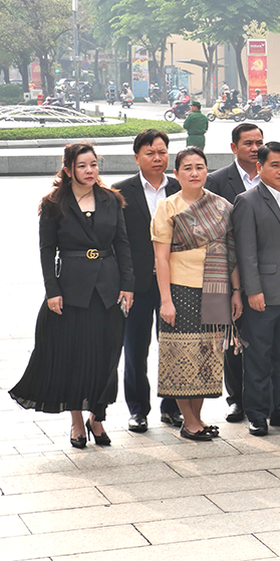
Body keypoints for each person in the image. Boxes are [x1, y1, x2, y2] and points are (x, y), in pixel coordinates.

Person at [9, 143, 134, 449]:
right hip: (71, 290)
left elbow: (123, 244)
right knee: (75, 357)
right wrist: (52, 291)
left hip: (108, 289)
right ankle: (77, 421)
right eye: (82, 166)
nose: (90, 171)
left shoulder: (111, 199)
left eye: (94, 165)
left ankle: (97, 417)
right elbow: (46, 250)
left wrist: (128, 286)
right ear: (68, 170)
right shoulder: (54, 203)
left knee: (106, 356)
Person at [152, 147, 242, 441]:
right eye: (187, 168)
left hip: (214, 292)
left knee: (207, 355)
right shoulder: (168, 207)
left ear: (207, 171)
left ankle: (199, 418)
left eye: (199, 167)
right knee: (181, 357)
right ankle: (188, 421)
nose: (194, 173)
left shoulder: (223, 206)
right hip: (179, 292)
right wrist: (166, 300)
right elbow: (161, 258)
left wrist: (237, 292)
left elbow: (231, 256)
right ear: (176, 174)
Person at [232, 142, 280, 436]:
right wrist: (252, 290)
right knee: (258, 356)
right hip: (262, 293)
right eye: (274, 165)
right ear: (259, 168)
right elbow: (245, 251)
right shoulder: (247, 201)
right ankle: (257, 413)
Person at [113, 130, 182, 432]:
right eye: (150, 153)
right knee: (136, 349)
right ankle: (138, 409)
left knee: (174, 347)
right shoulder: (120, 192)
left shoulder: (181, 187)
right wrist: (123, 283)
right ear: (137, 157)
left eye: (162, 152)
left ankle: (172, 407)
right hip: (137, 285)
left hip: (176, 283)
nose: (157, 158)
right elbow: (118, 242)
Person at [204, 123, 263, 423]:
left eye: (258, 143)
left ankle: (263, 397)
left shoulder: (274, 176)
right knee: (235, 337)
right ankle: (236, 399)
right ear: (233, 148)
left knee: (263, 337)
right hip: (231, 270)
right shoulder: (216, 181)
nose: (254, 149)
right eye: (248, 143)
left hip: (267, 270)